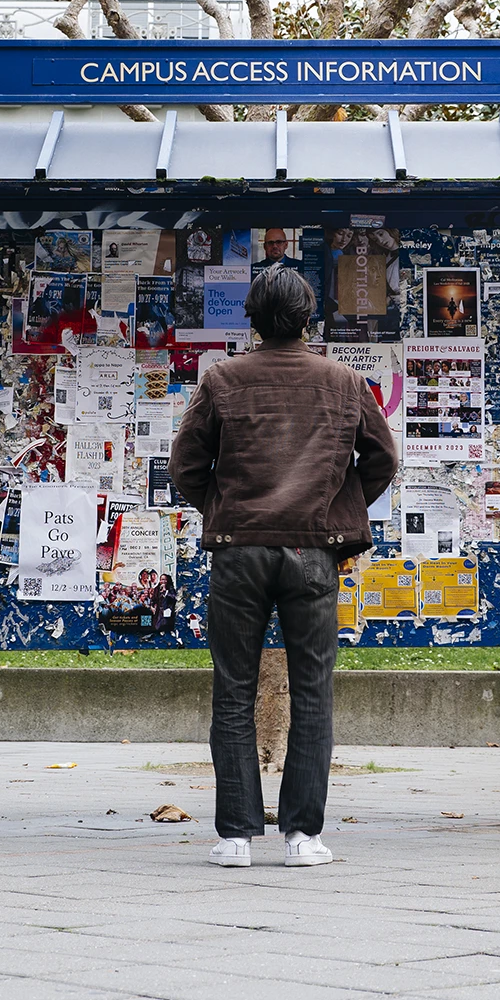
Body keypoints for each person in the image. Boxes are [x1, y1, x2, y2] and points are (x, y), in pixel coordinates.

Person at [169, 265, 396, 869]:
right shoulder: (344, 382)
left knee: (234, 691)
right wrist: (338, 507)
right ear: (308, 316)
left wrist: (223, 509)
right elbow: (382, 459)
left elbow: (186, 469)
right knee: (313, 692)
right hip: (312, 552)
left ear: (251, 316)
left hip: (238, 552)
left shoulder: (222, 380)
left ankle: (236, 837)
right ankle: (303, 837)